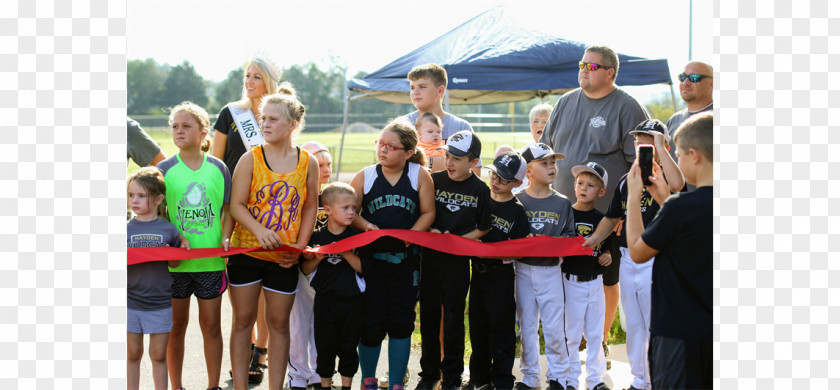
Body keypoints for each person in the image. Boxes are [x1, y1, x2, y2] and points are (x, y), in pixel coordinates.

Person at [227, 89, 320, 390]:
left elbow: (310, 207)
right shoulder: (250, 158)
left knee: (279, 325)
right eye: (263, 119)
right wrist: (259, 231)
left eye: (273, 119)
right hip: (247, 254)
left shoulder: (308, 163)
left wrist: (300, 246)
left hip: (283, 259)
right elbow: (237, 205)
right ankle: (241, 386)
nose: (265, 124)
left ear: (292, 125)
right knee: (243, 321)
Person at [582, 119, 683, 390]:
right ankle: (641, 379)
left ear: (663, 145)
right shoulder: (628, 180)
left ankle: (659, 377)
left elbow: (679, 186)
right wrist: (592, 240)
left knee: (655, 322)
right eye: (638, 140)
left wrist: (662, 154)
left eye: (649, 140)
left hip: (656, 257)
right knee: (634, 323)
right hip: (628, 256)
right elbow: (612, 216)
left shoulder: (668, 176)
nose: (641, 145)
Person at [624, 112, 712, 389]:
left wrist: (634, 196)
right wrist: (665, 197)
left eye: (681, 155)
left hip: (678, 334)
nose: (680, 161)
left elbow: (638, 251)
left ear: (694, 155)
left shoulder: (680, 208)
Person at [349, 121, 436, 390]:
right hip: (372, 264)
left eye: (391, 146)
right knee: (371, 324)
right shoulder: (366, 175)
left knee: (401, 323)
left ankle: (397, 382)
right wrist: (365, 226)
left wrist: (411, 235)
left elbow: (428, 212)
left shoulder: (419, 174)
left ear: (408, 152)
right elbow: (349, 212)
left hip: (406, 264)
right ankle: (368, 381)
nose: (383, 150)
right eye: (380, 144)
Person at [212, 56, 282, 384]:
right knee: (242, 288)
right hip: (234, 208)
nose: (250, 81)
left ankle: (261, 349)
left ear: (270, 80)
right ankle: (249, 342)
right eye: (247, 76)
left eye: (257, 76)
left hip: (270, 207)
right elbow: (216, 161)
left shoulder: (281, 110)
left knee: (269, 289)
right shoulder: (231, 113)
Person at [156, 102, 232, 390]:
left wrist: (226, 238)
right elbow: (158, 216)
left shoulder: (218, 168)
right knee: (176, 329)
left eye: (186, 126)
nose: (179, 130)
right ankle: (176, 386)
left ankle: (213, 386)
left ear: (203, 132)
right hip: (174, 266)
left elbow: (227, 211)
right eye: (174, 126)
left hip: (210, 263)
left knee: (211, 328)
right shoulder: (163, 170)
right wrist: (175, 239)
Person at [416, 130, 491, 390]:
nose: (449, 162)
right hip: (429, 260)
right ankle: (429, 373)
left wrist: (458, 241)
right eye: (448, 156)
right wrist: (428, 231)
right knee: (428, 317)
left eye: (458, 158)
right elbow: (421, 213)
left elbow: (483, 227)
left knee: (453, 319)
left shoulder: (481, 190)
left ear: (473, 162)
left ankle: (452, 375)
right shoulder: (433, 180)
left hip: (457, 264)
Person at [465, 151, 530, 390]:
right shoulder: (481, 198)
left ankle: (502, 379)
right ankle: (479, 379)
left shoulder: (517, 211)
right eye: (494, 174)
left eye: (503, 179)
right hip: (478, 274)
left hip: (500, 275)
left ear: (518, 183)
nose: (495, 181)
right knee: (478, 327)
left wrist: (493, 251)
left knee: (501, 328)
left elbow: (520, 249)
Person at [513, 143, 575, 390]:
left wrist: (552, 243)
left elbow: (570, 236)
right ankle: (529, 377)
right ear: (528, 170)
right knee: (527, 327)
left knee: (553, 327)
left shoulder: (562, 202)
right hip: (523, 271)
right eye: (544, 163)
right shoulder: (517, 200)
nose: (551, 167)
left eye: (553, 163)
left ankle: (558, 377)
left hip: (551, 271)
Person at [301, 182, 371, 390]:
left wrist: (346, 252)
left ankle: (346, 386)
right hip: (325, 301)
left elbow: (363, 269)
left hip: (352, 302)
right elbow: (305, 270)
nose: (352, 212)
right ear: (328, 209)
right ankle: (324, 385)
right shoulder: (316, 237)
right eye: (346, 208)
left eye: (353, 207)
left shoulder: (358, 238)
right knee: (325, 346)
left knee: (349, 347)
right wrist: (317, 257)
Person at [126, 167, 183, 390]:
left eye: (141, 196)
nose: (135, 200)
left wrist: (176, 250)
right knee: (132, 354)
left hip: (159, 304)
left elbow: (175, 264)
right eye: (131, 195)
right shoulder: (124, 230)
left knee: (159, 355)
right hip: (131, 303)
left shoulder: (169, 230)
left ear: (159, 199)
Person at [561, 162, 612, 390]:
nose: (583, 188)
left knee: (595, 334)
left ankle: (595, 380)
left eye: (590, 185)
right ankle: (570, 379)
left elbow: (609, 247)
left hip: (595, 283)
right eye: (580, 183)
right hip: (570, 282)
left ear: (601, 192)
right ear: (574, 185)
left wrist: (608, 255)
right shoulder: (566, 214)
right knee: (571, 335)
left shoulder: (603, 220)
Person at [287, 140, 333, 390]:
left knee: (322, 323)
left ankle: (318, 370)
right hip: (300, 270)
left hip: (326, 271)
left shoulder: (336, 194)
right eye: (320, 164)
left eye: (329, 164)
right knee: (298, 323)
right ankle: (297, 373)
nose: (325, 169)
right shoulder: (298, 195)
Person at [397, 63, 480, 175]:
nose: (415, 92)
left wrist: (425, 161)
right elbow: (392, 167)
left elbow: (475, 173)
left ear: (440, 90)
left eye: (422, 87)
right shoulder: (401, 125)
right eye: (412, 88)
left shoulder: (461, 127)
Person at [665, 61, 713, 160]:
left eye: (694, 78)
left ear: (711, 84)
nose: (685, 83)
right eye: (682, 77)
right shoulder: (674, 120)